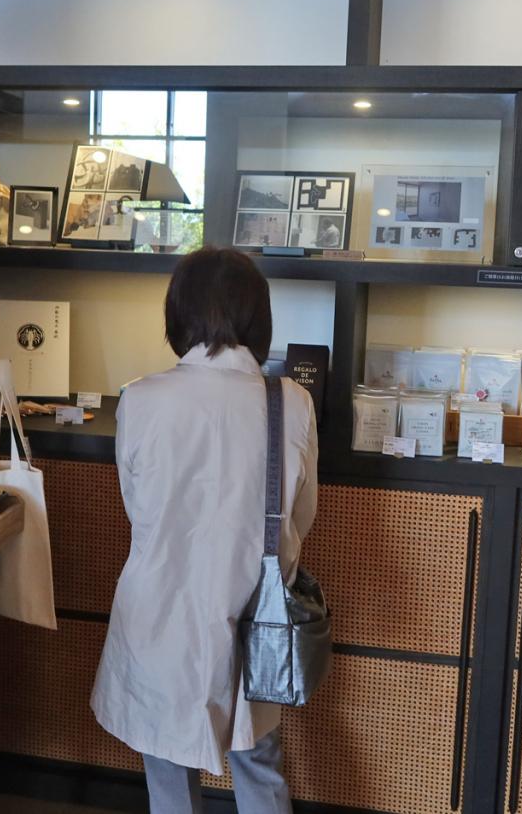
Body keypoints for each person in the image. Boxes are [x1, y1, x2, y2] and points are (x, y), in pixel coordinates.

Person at [91, 246, 319, 814]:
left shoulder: (140, 398)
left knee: (166, 764)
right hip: (254, 615)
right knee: (258, 760)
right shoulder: (291, 402)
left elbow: (138, 508)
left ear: (179, 313)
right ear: (257, 316)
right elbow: (300, 517)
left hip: (158, 612)